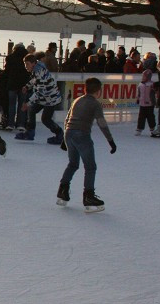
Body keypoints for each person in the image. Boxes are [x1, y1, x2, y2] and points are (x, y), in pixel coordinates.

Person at [57, 77, 117, 212]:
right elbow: (102, 123)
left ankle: (62, 191)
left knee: (73, 164)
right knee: (90, 167)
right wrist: (110, 141)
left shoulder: (77, 100)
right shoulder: (95, 104)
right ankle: (88, 196)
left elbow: (68, 119)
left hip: (69, 134)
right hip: (82, 135)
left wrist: (64, 139)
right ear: (98, 91)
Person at [17, 53, 63, 142]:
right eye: (25, 64)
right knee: (32, 110)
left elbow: (40, 91)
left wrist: (28, 103)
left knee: (46, 119)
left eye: (27, 64)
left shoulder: (39, 71)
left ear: (33, 63)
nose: (26, 67)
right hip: (44, 97)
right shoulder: (37, 69)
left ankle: (60, 134)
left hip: (50, 98)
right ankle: (30, 132)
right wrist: (27, 86)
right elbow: (35, 80)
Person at [2, 43, 30, 130]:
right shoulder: (28, 58)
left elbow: (7, 71)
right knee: (22, 104)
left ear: (15, 49)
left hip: (12, 84)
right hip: (24, 85)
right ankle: (20, 124)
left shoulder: (10, 57)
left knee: (11, 105)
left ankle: (10, 124)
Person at [135, 69, 156, 136]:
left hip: (150, 104)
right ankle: (139, 128)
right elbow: (139, 93)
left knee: (150, 117)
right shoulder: (140, 84)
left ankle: (152, 128)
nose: (143, 78)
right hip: (142, 104)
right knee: (141, 117)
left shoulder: (152, 84)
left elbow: (154, 94)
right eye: (143, 76)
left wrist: (154, 102)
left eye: (144, 77)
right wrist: (138, 99)